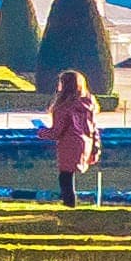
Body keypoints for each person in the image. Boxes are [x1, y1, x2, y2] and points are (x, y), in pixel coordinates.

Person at [43, 69, 101, 208]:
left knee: (65, 177)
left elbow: (57, 131)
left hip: (69, 143)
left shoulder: (64, 106)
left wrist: (41, 132)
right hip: (85, 142)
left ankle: (70, 206)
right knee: (68, 176)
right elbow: (93, 127)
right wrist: (95, 147)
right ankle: (71, 204)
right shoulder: (88, 103)